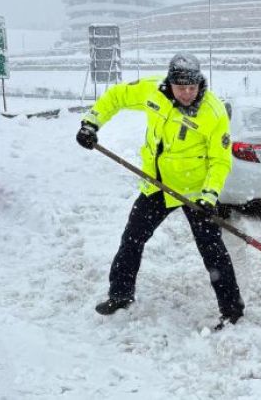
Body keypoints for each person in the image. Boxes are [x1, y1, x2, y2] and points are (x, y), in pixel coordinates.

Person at [77, 53, 245, 330]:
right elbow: (117, 96)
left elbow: (220, 160)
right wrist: (91, 123)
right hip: (155, 185)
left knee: (213, 253)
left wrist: (210, 195)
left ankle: (232, 312)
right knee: (132, 239)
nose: (188, 93)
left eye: (193, 87)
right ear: (170, 83)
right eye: (181, 88)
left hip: (194, 193)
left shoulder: (213, 112)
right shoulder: (153, 90)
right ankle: (120, 295)